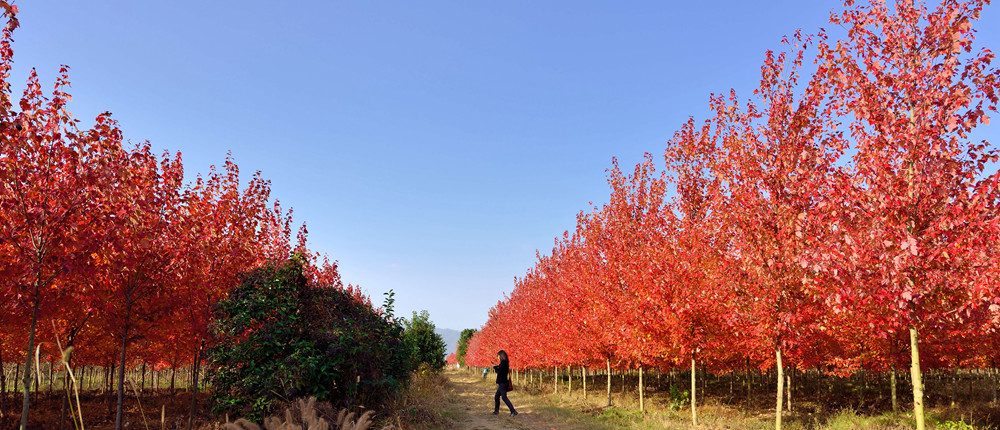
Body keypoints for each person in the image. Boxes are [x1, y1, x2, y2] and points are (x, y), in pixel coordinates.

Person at [491, 350, 518, 416]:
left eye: (498, 356)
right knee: (497, 396)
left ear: (501, 356)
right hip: (503, 382)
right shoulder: (504, 363)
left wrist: (494, 367)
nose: (498, 358)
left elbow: (499, 372)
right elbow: (501, 369)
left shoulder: (503, 363)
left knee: (504, 397)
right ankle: (496, 411)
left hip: (502, 383)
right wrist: (496, 366)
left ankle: (513, 411)